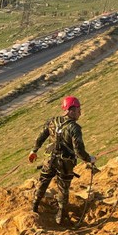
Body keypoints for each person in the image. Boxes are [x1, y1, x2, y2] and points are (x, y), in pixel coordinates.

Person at [29, 96, 96, 225]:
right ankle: (61, 217)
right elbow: (79, 150)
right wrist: (89, 159)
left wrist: (34, 150)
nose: (80, 113)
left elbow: (41, 136)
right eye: (78, 109)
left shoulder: (53, 121)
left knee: (43, 182)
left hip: (49, 160)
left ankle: (34, 206)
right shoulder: (74, 128)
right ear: (70, 110)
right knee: (63, 189)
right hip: (65, 164)